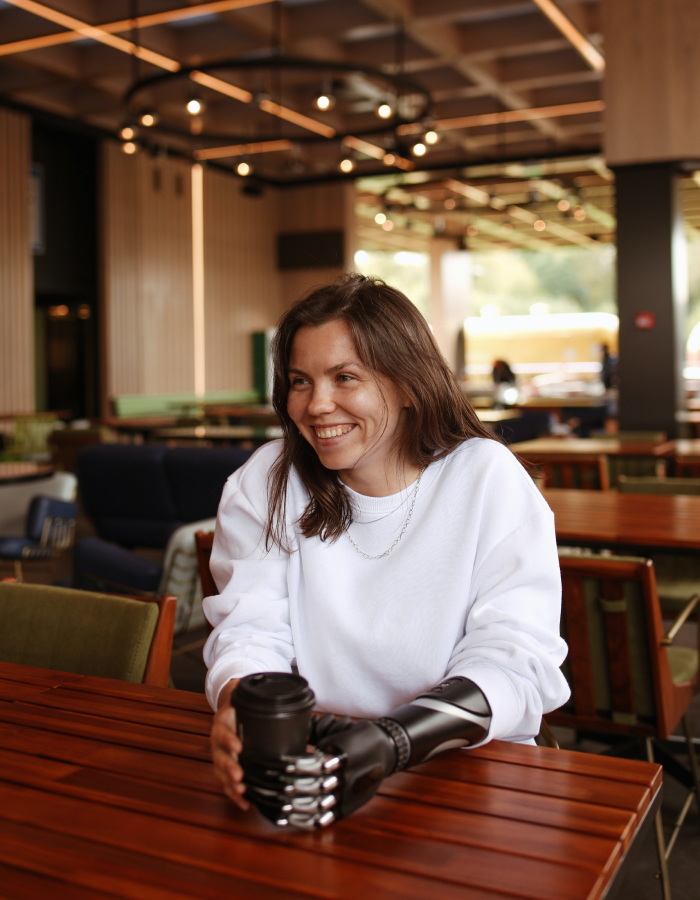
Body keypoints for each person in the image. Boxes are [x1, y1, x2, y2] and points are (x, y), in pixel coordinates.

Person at [204, 274, 569, 827]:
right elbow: (250, 631)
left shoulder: (484, 476)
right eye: (299, 381)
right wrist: (241, 702)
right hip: (320, 764)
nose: (316, 405)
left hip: (471, 769)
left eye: (344, 377)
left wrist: (393, 741)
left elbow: (514, 660)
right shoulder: (268, 480)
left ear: (406, 383)